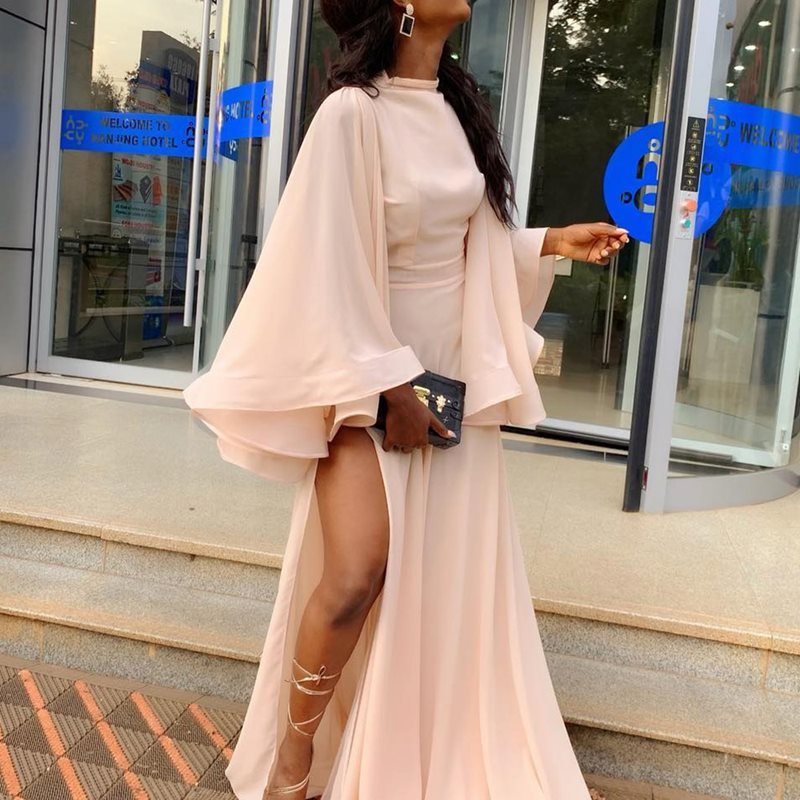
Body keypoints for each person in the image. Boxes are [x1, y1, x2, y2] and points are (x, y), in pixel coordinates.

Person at [182, 0, 629, 797]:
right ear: (401, 7)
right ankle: (294, 756)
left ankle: (414, 751)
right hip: (364, 380)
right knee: (355, 573)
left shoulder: (456, 106)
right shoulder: (352, 115)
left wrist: (548, 242)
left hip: (451, 389)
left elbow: (467, 244)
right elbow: (323, 261)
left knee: (440, 583)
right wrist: (393, 389)